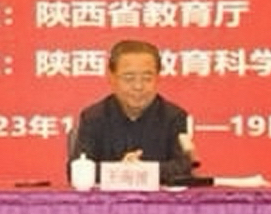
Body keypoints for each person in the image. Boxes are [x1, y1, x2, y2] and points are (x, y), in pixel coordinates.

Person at [69, 39, 197, 185]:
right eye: (129, 78)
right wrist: (121, 170)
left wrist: (141, 170)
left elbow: (183, 167)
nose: (138, 86)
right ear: (111, 77)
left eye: (147, 78)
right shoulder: (93, 117)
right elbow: (77, 169)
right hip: (107, 200)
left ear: (158, 77)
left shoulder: (174, 117)